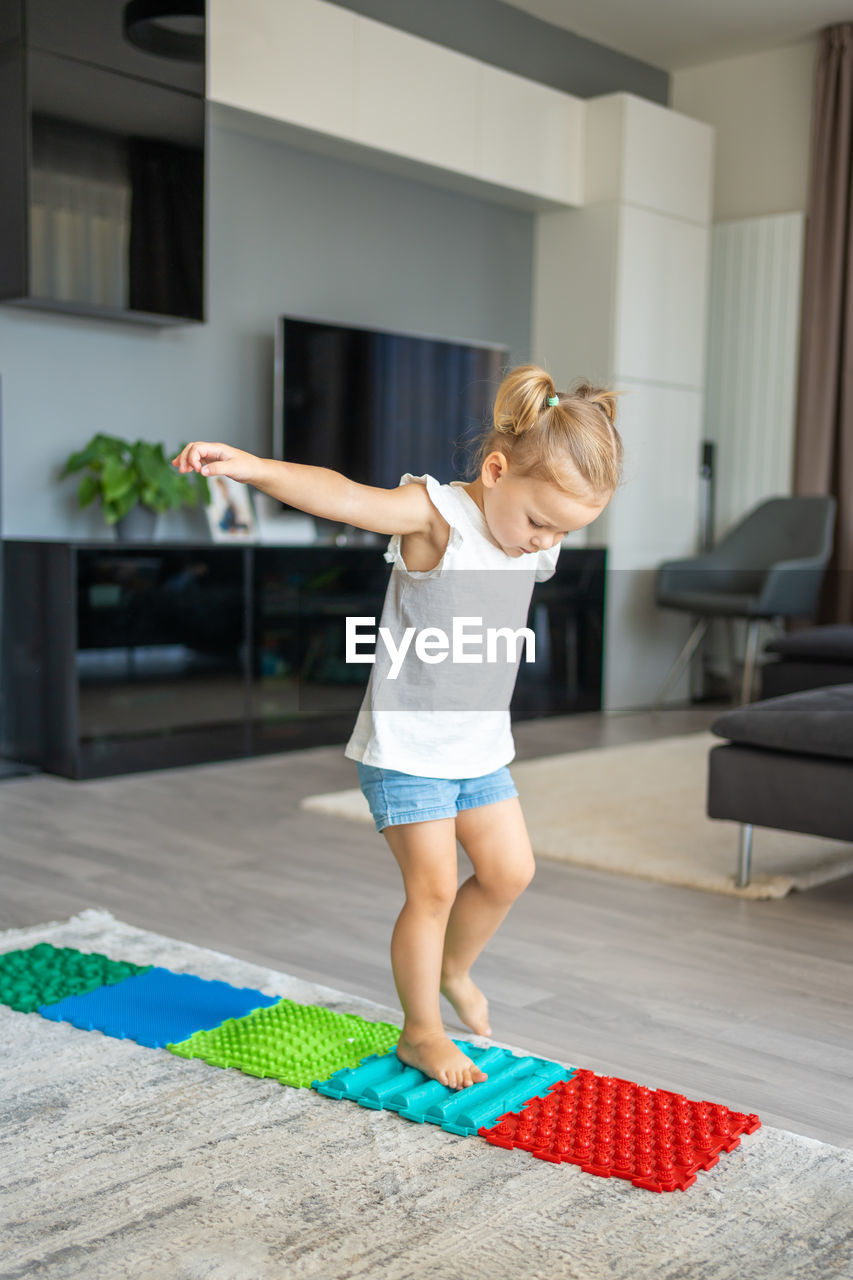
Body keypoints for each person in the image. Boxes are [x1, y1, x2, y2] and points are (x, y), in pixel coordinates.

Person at [172, 363, 623, 1091]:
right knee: (435, 888)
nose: (544, 545)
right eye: (540, 523)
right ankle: (420, 1033)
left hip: (477, 747)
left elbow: (530, 546)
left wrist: (542, 531)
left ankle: (451, 967)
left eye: (562, 533)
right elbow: (344, 496)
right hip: (408, 752)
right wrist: (253, 468)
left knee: (510, 871)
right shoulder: (435, 517)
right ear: (495, 469)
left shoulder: (534, 535)